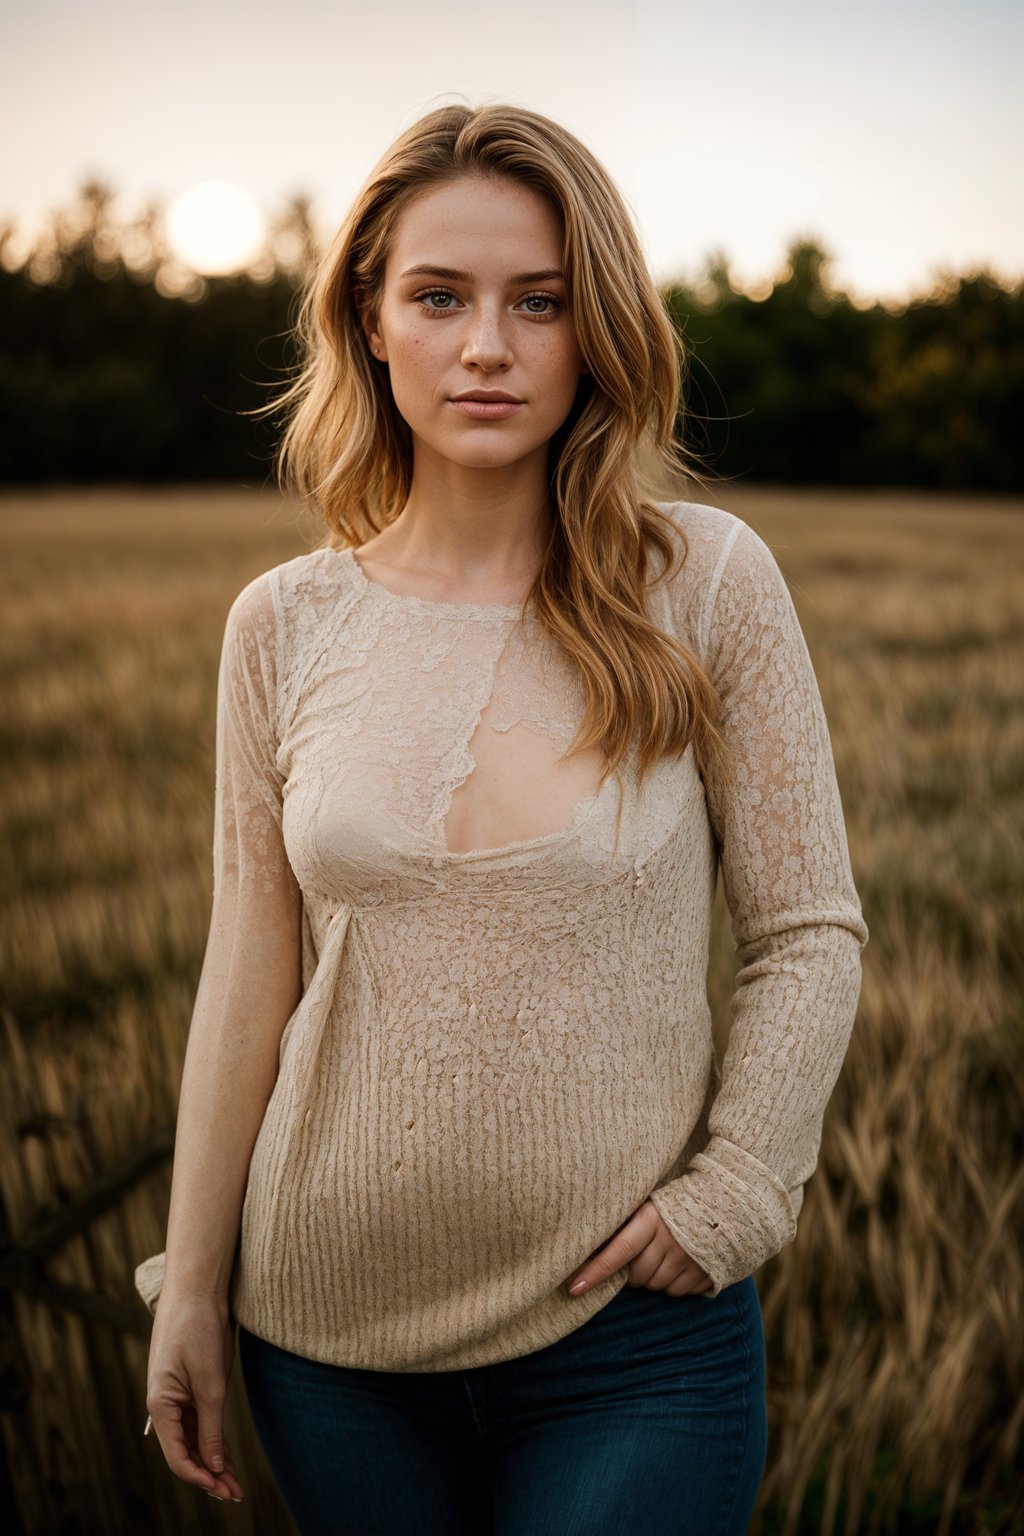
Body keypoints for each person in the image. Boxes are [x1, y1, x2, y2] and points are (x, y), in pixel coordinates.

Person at [135, 101, 868, 1535]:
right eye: (441, 297)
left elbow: (809, 931)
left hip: (632, 1342)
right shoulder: (281, 626)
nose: (488, 345)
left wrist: (734, 1193)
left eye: (540, 303)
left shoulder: (704, 584)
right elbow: (250, 965)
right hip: (326, 1344)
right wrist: (195, 1286)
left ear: (596, 329)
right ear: (371, 319)